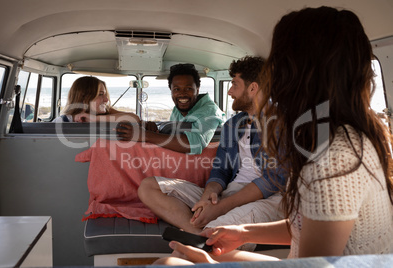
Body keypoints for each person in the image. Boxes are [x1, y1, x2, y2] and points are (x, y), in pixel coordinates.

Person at [153, 6, 393, 265]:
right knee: (190, 253)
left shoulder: (334, 157)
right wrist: (242, 232)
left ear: (300, 72)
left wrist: (209, 263)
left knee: (173, 262)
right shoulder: (343, 136)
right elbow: (307, 226)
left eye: (279, 63)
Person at [138, 56, 286, 238]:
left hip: (269, 199)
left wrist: (221, 207)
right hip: (231, 192)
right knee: (149, 187)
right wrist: (208, 195)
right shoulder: (233, 125)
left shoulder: (281, 122)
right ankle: (194, 232)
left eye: (234, 85)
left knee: (213, 236)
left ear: (253, 88)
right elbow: (221, 169)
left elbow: (274, 180)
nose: (230, 92)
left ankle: (201, 237)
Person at [116, 63, 225, 154]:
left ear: (197, 89)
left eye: (188, 88)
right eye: (177, 89)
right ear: (171, 90)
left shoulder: (210, 111)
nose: (182, 94)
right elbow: (175, 134)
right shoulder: (178, 110)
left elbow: (196, 143)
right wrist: (156, 130)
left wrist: (145, 135)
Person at [53, 76, 139, 123]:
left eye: (105, 95)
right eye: (100, 94)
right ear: (83, 97)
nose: (106, 100)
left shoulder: (107, 113)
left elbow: (135, 118)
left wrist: (94, 119)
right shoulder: (62, 122)